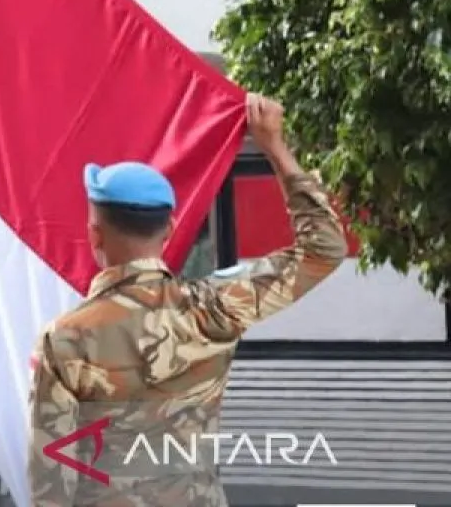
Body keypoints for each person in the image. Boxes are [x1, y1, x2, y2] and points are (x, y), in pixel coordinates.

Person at [27, 94, 348, 506]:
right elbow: (325, 248)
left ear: (94, 236)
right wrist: (274, 147)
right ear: (171, 229)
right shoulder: (216, 307)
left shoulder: (65, 340)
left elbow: (50, 487)